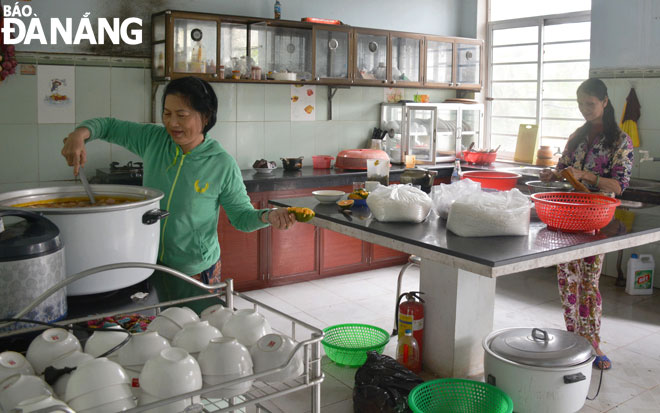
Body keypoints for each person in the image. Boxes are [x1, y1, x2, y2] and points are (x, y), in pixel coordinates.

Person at [61, 76, 297, 312]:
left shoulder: (221, 164)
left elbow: (242, 218)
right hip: (152, 263)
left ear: (205, 117)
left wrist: (268, 216)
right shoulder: (153, 140)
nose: (172, 123)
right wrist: (79, 135)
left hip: (197, 271)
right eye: (167, 114)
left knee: (199, 333)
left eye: (182, 115)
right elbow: (108, 126)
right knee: (159, 331)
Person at [540, 78, 634, 370]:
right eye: (580, 104)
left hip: (597, 220)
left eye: (590, 104)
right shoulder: (577, 136)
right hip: (568, 217)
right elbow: (563, 169)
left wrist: (588, 176)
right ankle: (574, 341)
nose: (584, 109)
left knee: (589, 284)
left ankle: (593, 343)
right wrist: (553, 175)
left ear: (605, 102)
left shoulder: (620, 142)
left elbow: (618, 186)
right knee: (568, 282)